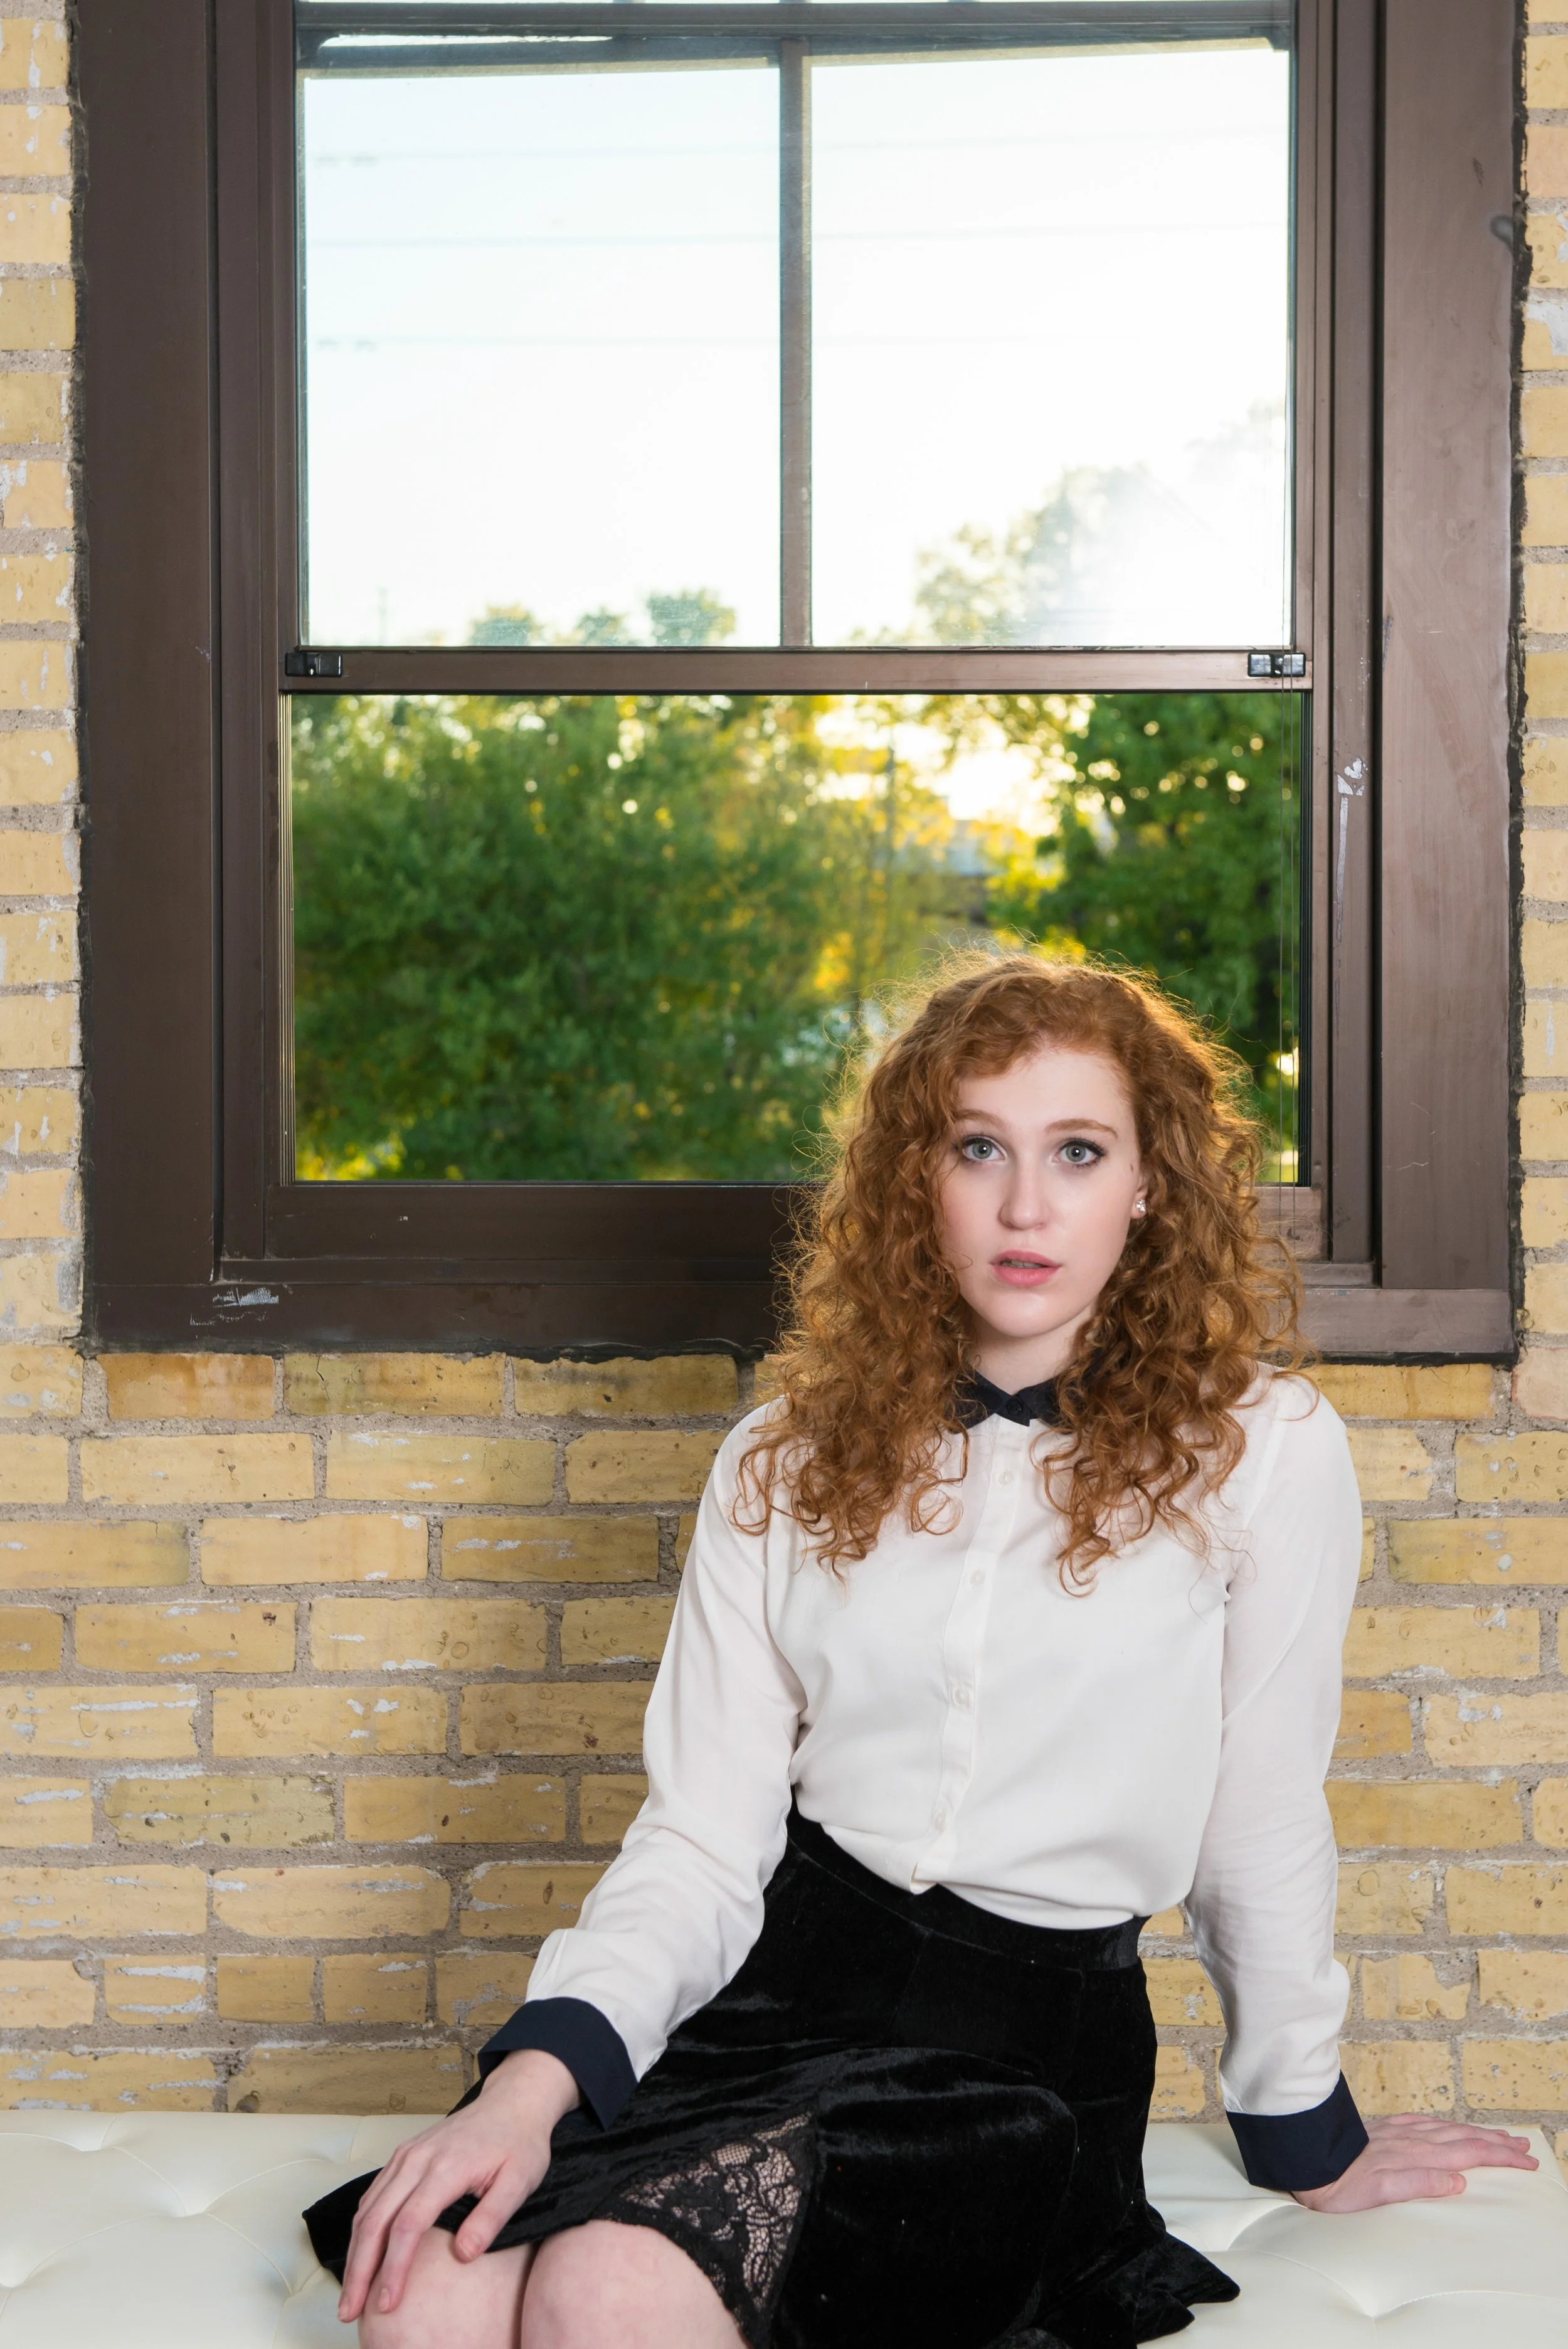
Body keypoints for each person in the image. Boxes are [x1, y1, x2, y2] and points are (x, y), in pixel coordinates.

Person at [305, 953, 1535, 2349]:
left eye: (1076, 1151)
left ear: (1146, 1183)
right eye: (977, 1148)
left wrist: (1304, 2130)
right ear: (915, 1180)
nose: (1025, 1205)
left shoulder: (1264, 1456)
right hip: (772, 2000)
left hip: (1018, 2058)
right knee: (427, 2293)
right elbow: (702, 1839)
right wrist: (525, 2088)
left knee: (606, 2289)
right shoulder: (780, 1456)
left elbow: (1255, 1817)